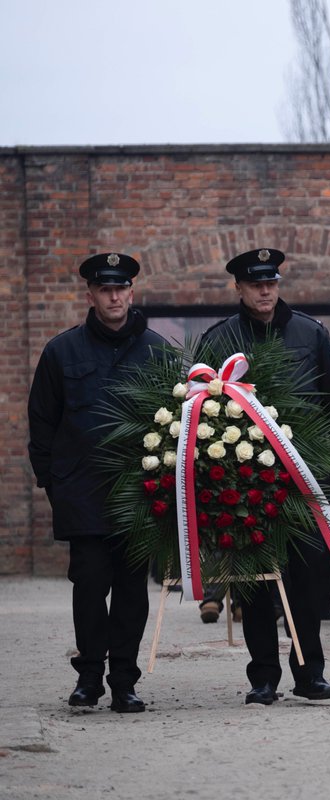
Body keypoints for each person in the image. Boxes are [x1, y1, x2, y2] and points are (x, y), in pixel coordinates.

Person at [200, 247, 330, 705]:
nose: (265, 290)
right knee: (253, 584)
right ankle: (263, 676)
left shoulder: (310, 332)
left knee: (309, 584)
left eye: (271, 282)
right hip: (246, 482)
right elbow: (199, 403)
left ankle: (310, 674)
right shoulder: (220, 338)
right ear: (240, 288)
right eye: (255, 284)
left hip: (305, 479)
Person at [28, 252, 168, 712]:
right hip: (82, 492)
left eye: (121, 288)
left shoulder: (157, 351)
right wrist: (53, 482)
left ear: (131, 292)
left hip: (138, 494)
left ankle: (124, 681)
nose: (114, 296)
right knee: (88, 586)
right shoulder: (61, 351)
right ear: (90, 294)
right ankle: (90, 677)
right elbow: (42, 422)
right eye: (104, 289)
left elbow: (177, 425)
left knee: (131, 591)